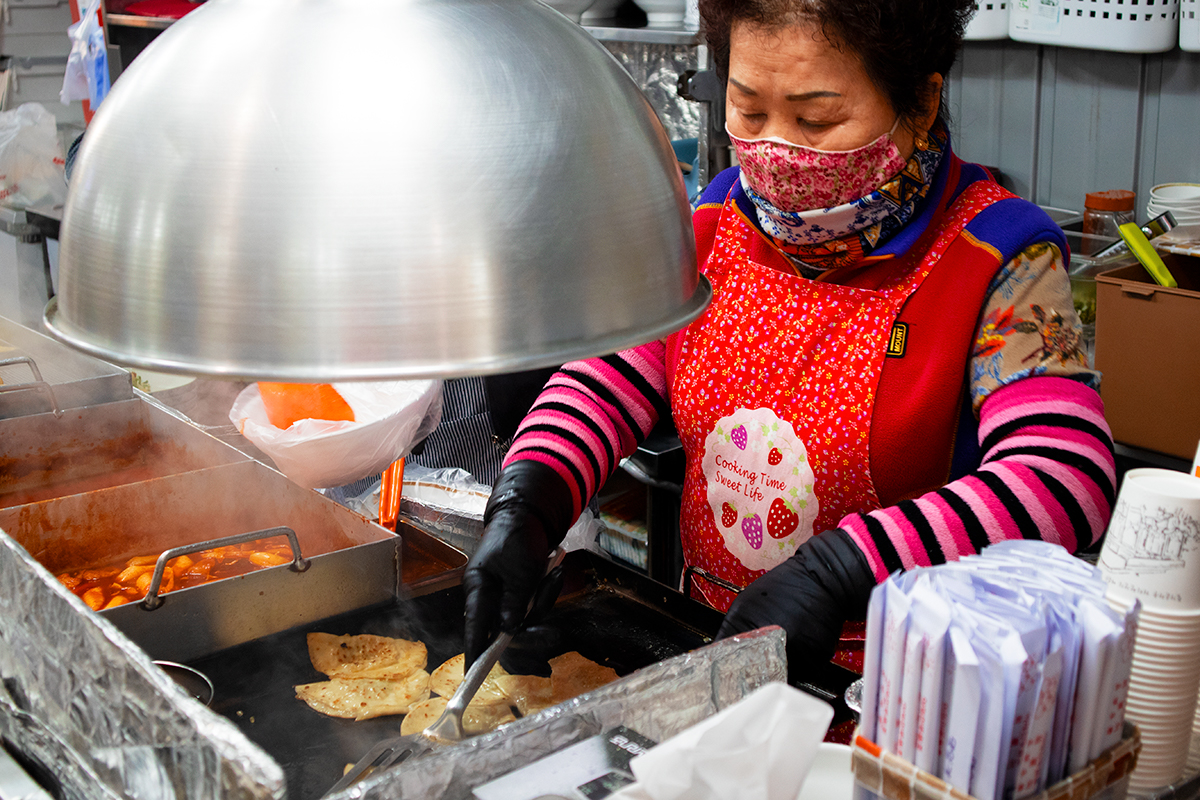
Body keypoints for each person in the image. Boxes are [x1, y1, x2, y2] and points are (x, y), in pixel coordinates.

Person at [461, 0, 1114, 682]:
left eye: (816, 118)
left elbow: (1063, 475)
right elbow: (611, 376)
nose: (775, 151)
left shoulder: (997, 257)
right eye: (748, 110)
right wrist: (529, 500)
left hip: (894, 697)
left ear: (921, 102)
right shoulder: (719, 217)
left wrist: (842, 568)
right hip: (708, 653)